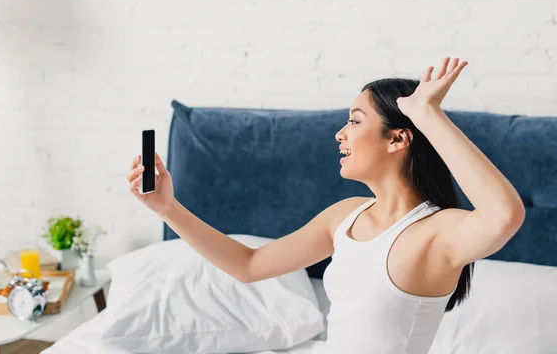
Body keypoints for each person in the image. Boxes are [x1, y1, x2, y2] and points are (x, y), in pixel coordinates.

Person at [125, 57, 525, 354]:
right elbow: (249, 265)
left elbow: (504, 215)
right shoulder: (346, 216)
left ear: (398, 139)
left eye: (354, 121)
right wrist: (167, 208)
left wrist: (427, 114)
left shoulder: (437, 234)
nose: (339, 134)